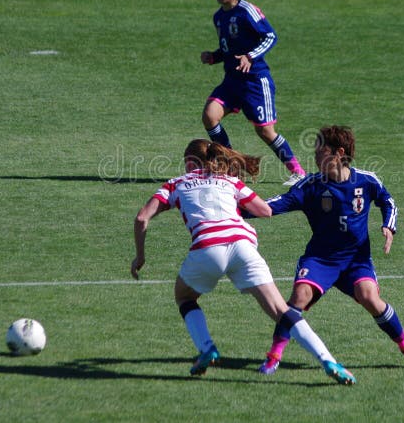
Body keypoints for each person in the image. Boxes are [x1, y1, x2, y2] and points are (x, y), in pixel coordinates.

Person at [132, 139, 356, 385]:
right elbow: (265, 211)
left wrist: (140, 256)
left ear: (189, 161)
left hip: (207, 248)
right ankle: (329, 361)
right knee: (282, 312)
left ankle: (206, 348)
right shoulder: (230, 181)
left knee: (184, 297)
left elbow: (142, 218)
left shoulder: (176, 183)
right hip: (243, 246)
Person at [251, 125, 404, 374]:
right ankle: (273, 356)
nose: (314, 156)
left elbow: (387, 201)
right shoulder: (311, 186)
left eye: (319, 151)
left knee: (370, 297)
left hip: (356, 260)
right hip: (320, 259)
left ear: (338, 153)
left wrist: (389, 227)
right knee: (299, 298)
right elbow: (274, 205)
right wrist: (235, 206)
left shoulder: (366, 181)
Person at [199, 0, 306, 186]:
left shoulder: (247, 10)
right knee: (210, 115)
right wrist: (214, 56)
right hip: (232, 81)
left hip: (255, 81)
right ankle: (230, 165)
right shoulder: (218, 17)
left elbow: (270, 36)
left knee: (265, 131)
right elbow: (228, 49)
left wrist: (250, 56)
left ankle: (298, 172)